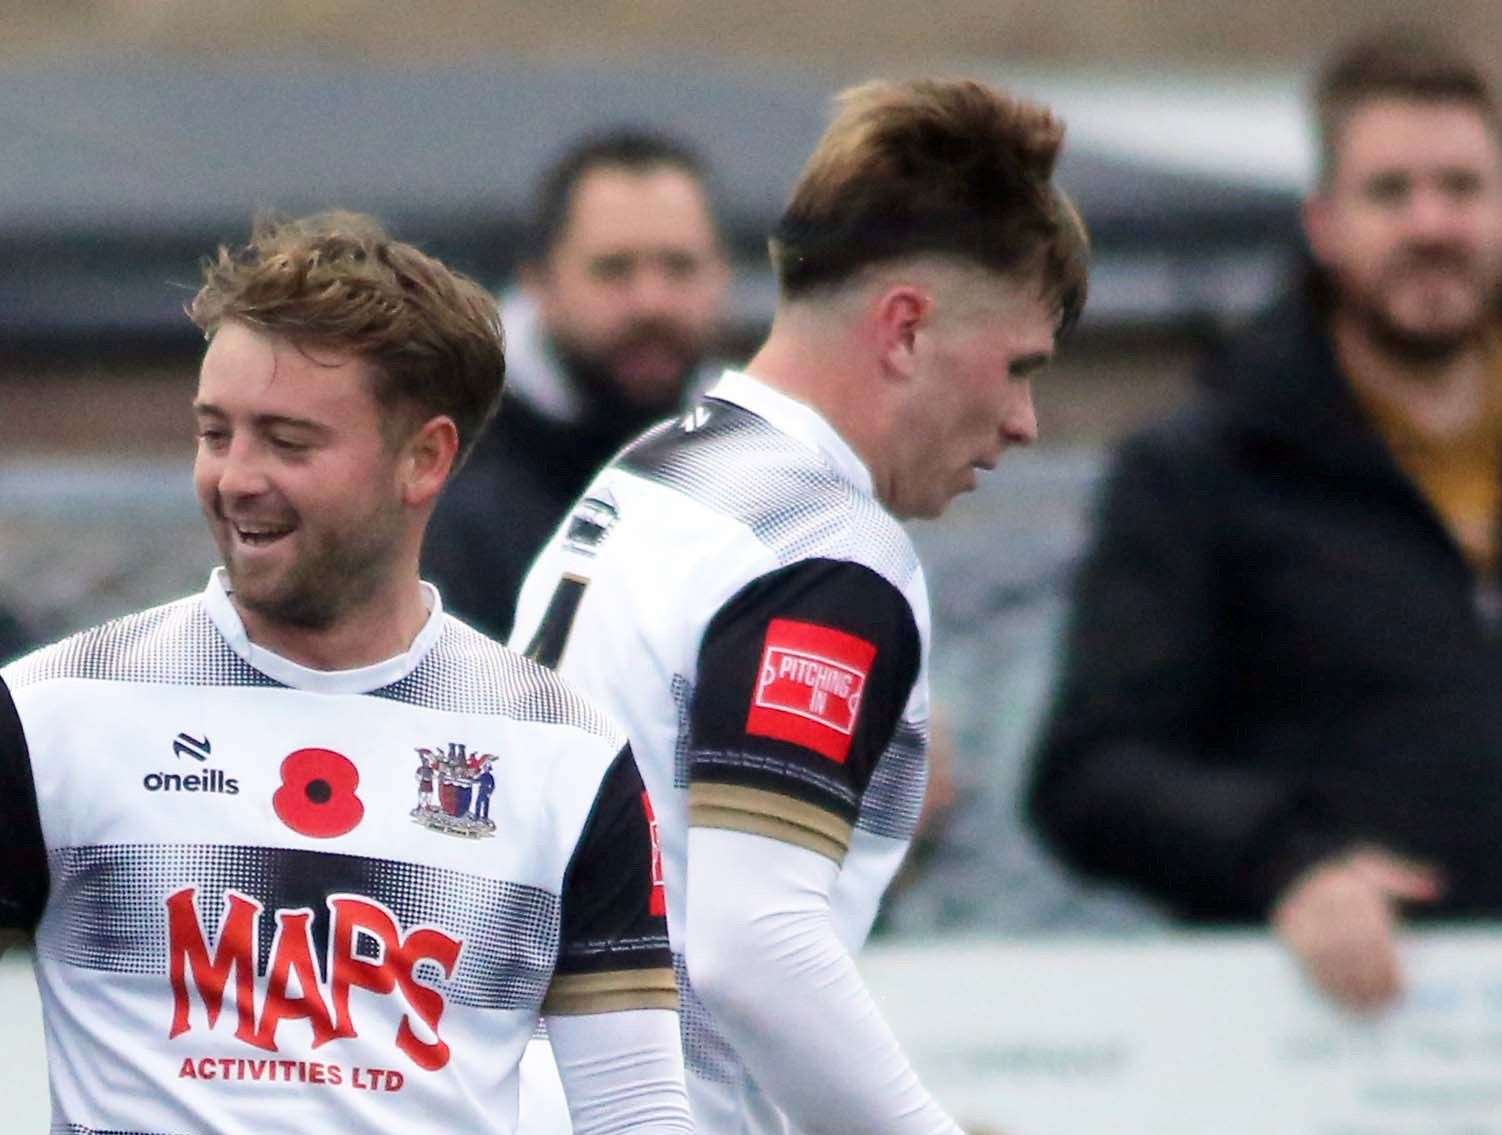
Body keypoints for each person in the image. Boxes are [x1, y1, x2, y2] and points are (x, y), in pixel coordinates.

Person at [0, 212, 691, 1134]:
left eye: (288, 442)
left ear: (425, 458)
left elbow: (636, 1108)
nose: (236, 478)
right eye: (216, 433)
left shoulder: (565, 754)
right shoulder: (54, 714)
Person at [512, 78, 1087, 1133]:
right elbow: (753, 945)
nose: (1023, 421)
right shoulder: (825, 551)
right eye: (1015, 367)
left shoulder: (650, 473)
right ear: (905, 329)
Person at [1028, 28, 1502, 1014]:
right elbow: (1090, 772)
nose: (1430, 223)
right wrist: (1281, 860)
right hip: (1317, 1048)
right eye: (1389, 191)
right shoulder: (1199, 473)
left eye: (1459, 188)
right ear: (1321, 223)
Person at [423, 128, 731, 641]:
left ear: (722, 274)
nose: (651, 302)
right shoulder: (443, 468)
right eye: (614, 270)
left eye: (679, 267)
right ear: (538, 282)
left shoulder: (764, 462)